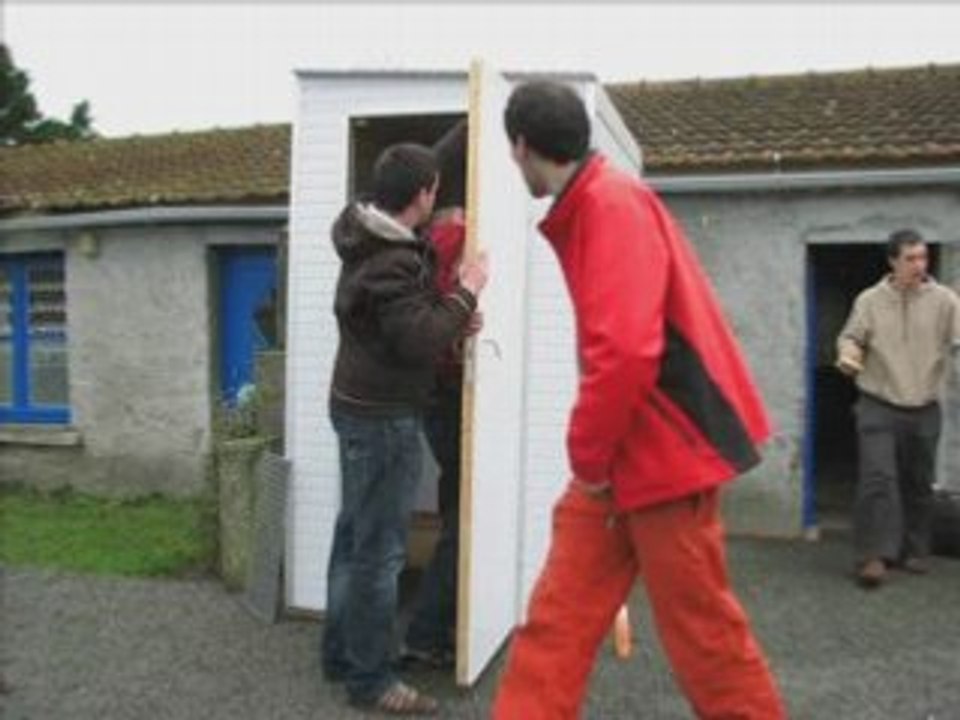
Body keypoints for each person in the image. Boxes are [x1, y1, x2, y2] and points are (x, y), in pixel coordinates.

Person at [491, 81, 786, 720]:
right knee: (555, 624)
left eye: (511, 152)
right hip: (630, 459)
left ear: (521, 146)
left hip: (660, 458)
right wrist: (597, 463)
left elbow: (625, 351)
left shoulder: (608, 205)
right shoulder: (598, 201)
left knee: (705, 640)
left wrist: (588, 458)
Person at [321, 142, 488, 715]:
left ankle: (342, 656)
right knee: (379, 554)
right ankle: (371, 681)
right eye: (434, 187)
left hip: (356, 405)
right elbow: (416, 338)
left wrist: (453, 317)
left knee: (353, 538)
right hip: (381, 417)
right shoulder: (393, 256)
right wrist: (468, 289)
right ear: (424, 195)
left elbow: (410, 323)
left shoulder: (368, 233)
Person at [836, 229, 960, 588]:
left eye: (923, 257)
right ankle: (873, 556)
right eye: (910, 259)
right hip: (878, 403)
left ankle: (916, 548)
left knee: (918, 481)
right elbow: (852, 337)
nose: (919, 265)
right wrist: (848, 354)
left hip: (923, 405)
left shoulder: (945, 301)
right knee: (879, 478)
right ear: (892, 261)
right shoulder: (870, 300)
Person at [401, 120, 470, 668]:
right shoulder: (456, 240)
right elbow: (449, 318)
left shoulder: (422, 242)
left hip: (432, 393)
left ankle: (436, 627)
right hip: (451, 392)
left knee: (455, 509)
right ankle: (428, 633)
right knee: (460, 516)